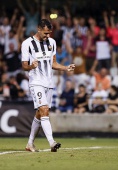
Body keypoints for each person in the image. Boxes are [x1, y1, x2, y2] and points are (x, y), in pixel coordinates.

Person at [21, 19, 75, 152]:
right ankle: (52, 142)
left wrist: (65, 68)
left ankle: (30, 143)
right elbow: (24, 66)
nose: (48, 36)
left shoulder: (52, 42)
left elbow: (53, 63)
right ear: (38, 29)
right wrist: (31, 66)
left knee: (40, 114)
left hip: (49, 83)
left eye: (49, 33)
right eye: (45, 33)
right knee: (44, 110)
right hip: (36, 82)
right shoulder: (27, 44)